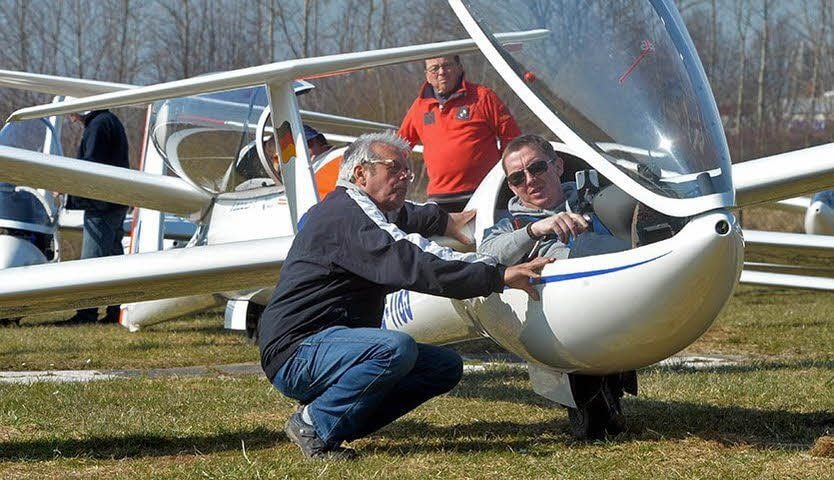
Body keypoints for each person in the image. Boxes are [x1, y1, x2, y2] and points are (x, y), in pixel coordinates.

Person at [258, 131, 551, 459]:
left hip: (327, 346)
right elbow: (413, 261)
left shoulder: (361, 207)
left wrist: (445, 220)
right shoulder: (347, 216)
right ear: (361, 174)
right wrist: (498, 275)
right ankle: (314, 423)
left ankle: (335, 421)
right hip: (297, 352)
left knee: (444, 367)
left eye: (407, 171)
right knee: (394, 349)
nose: (405, 177)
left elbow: (405, 214)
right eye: (394, 169)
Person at [479, 134, 636, 439]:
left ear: (557, 166)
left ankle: (610, 389)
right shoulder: (509, 224)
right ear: (511, 187)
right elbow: (485, 255)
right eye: (518, 177)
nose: (530, 180)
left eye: (537, 168)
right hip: (557, 316)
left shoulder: (597, 202)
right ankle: (591, 400)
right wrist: (535, 230)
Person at [398, 55, 521, 212]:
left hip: (485, 192)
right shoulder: (420, 107)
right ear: (427, 75)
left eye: (447, 65)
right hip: (440, 198)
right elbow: (399, 147)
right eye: (434, 68)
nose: (441, 72)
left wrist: (507, 178)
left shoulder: (482, 97)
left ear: (459, 68)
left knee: (494, 236)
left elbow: (512, 139)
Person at [63, 109, 130, 325]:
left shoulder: (98, 125)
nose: (69, 117)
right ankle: (115, 312)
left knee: (91, 262)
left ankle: (86, 314)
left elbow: (90, 165)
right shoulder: (107, 121)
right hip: (113, 201)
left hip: (101, 204)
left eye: (71, 112)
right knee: (113, 260)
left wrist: (64, 184)